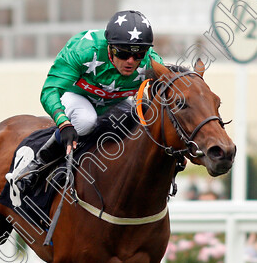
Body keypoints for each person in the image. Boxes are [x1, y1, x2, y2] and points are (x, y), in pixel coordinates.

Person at [16, 10, 164, 191]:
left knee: (145, 119)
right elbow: (49, 90)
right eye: (123, 54)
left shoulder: (152, 62)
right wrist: (64, 124)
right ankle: (37, 163)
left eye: (138, 54)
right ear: (110, 47)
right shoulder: (84, 50)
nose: (131, 61)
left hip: (115, 103)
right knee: (86, 121)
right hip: (77, 97)